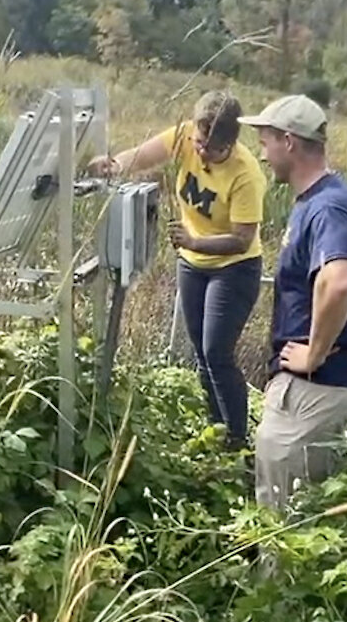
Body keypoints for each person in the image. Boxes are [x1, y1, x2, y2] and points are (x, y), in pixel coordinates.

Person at [88, 92, 267, 452]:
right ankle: (216, 431)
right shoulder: (185, 135)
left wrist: (195, 242)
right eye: (199, 144)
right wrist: (113, 164)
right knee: (200, 352)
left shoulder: (246, 174)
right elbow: (141, 155)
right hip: (192, 263)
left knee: (218, 351)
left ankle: (236, 439)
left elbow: (242, 240)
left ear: (230, 144)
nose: (201, 153)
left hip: (233, 268)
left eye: (212, 150)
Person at [237, 94, 347, 511]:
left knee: (285, 514)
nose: (262, 154)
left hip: (316, 386)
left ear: (289, 142)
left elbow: (339, 281)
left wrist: (313, 352)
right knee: (301, 504)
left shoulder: (328, 207)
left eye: (265, 142)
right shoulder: (316, 203)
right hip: (317, 386)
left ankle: (278, 579)